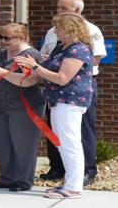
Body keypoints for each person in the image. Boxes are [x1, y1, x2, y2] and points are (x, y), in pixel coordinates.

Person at [15, 13, 93, 198]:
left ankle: (74, 188)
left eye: (58, 28)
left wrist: (35, 67)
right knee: (63, 143)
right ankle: (69, 183)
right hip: (58, 101)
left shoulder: (78, 50)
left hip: (69, 101)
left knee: (70, 143)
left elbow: (62, 78)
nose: (55, 31)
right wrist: (42, 62)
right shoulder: (62, 47)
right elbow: (52, 69)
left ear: (69, 29)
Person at [40, 0, 105, 184]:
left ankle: (86, 171)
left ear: (77, 10)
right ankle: (58, 168)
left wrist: (62, 66)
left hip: (78, 86)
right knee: (56, 128)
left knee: (81, 129)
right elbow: (46, 54)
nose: (59, 11)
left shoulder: (90, 29)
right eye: (58, 7)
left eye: (63, 8)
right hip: (55, 85)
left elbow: (95, 58)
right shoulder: (52, 31)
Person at [0, 22, 47, 192]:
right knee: (3, 143)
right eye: (1, 37)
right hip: (3, 105)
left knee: (23, 145)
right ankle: (7, 178)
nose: (3, 41)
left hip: (25, 106)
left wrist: (1, 72)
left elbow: (30, 80)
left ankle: (23, 181)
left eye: (8, 38)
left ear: (22, 37)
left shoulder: (31, 54)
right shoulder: (2, 54)